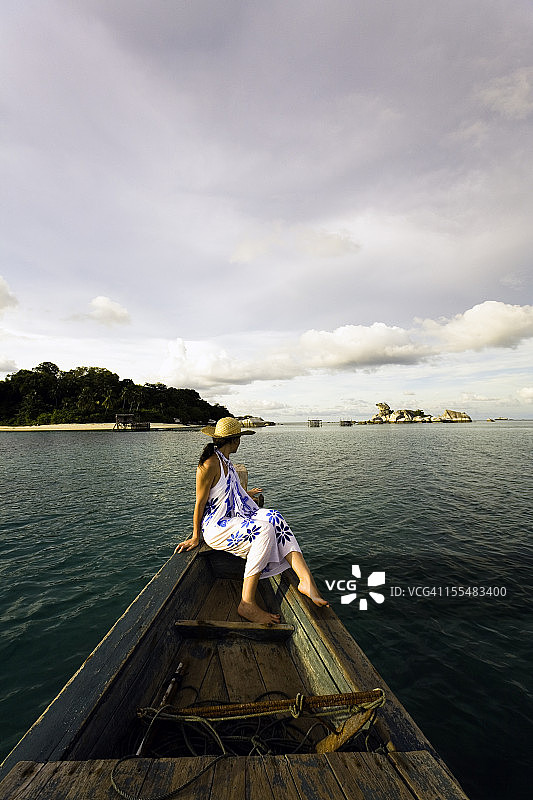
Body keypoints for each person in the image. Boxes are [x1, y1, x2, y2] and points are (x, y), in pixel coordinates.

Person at [175, 417, 328, 624]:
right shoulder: (209, 464)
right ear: (235, 440)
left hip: (236, 517)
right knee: (263, 531)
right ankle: (246, 603)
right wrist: (195, 536)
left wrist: (247, 493)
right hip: (217, 526)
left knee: (274, 516)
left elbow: (227, 493)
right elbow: (200, 503)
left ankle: (306, 581)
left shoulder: (225, 461)